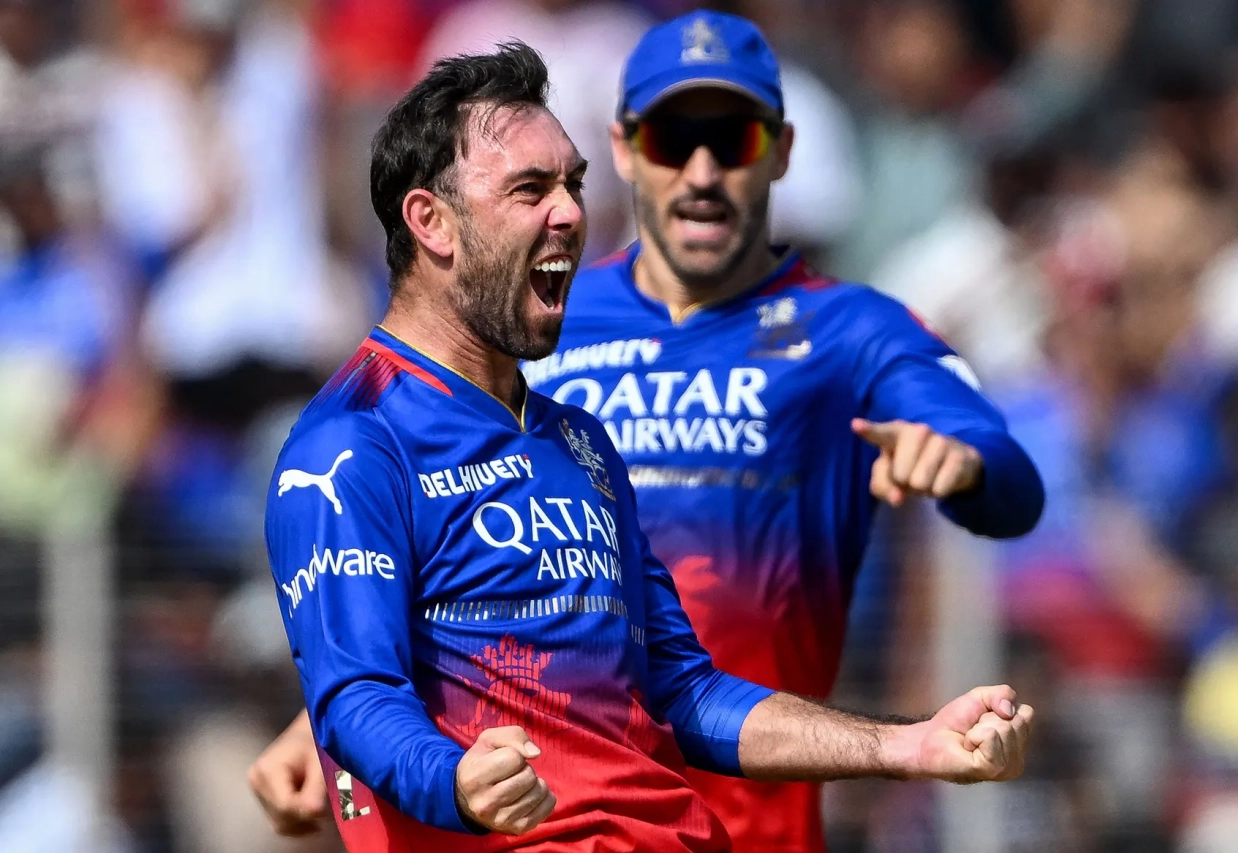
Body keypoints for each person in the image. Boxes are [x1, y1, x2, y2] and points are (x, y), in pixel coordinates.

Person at [253, 17, 1045, 851]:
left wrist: (908, 739)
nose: (568, 212)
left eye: (732, 137)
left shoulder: (820, 339)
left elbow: (678, 685)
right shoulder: (363, 432)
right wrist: (384, 741)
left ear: (780, 152)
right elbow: (369, 675)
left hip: (743, 821)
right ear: (633, 147)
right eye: (531, 190)